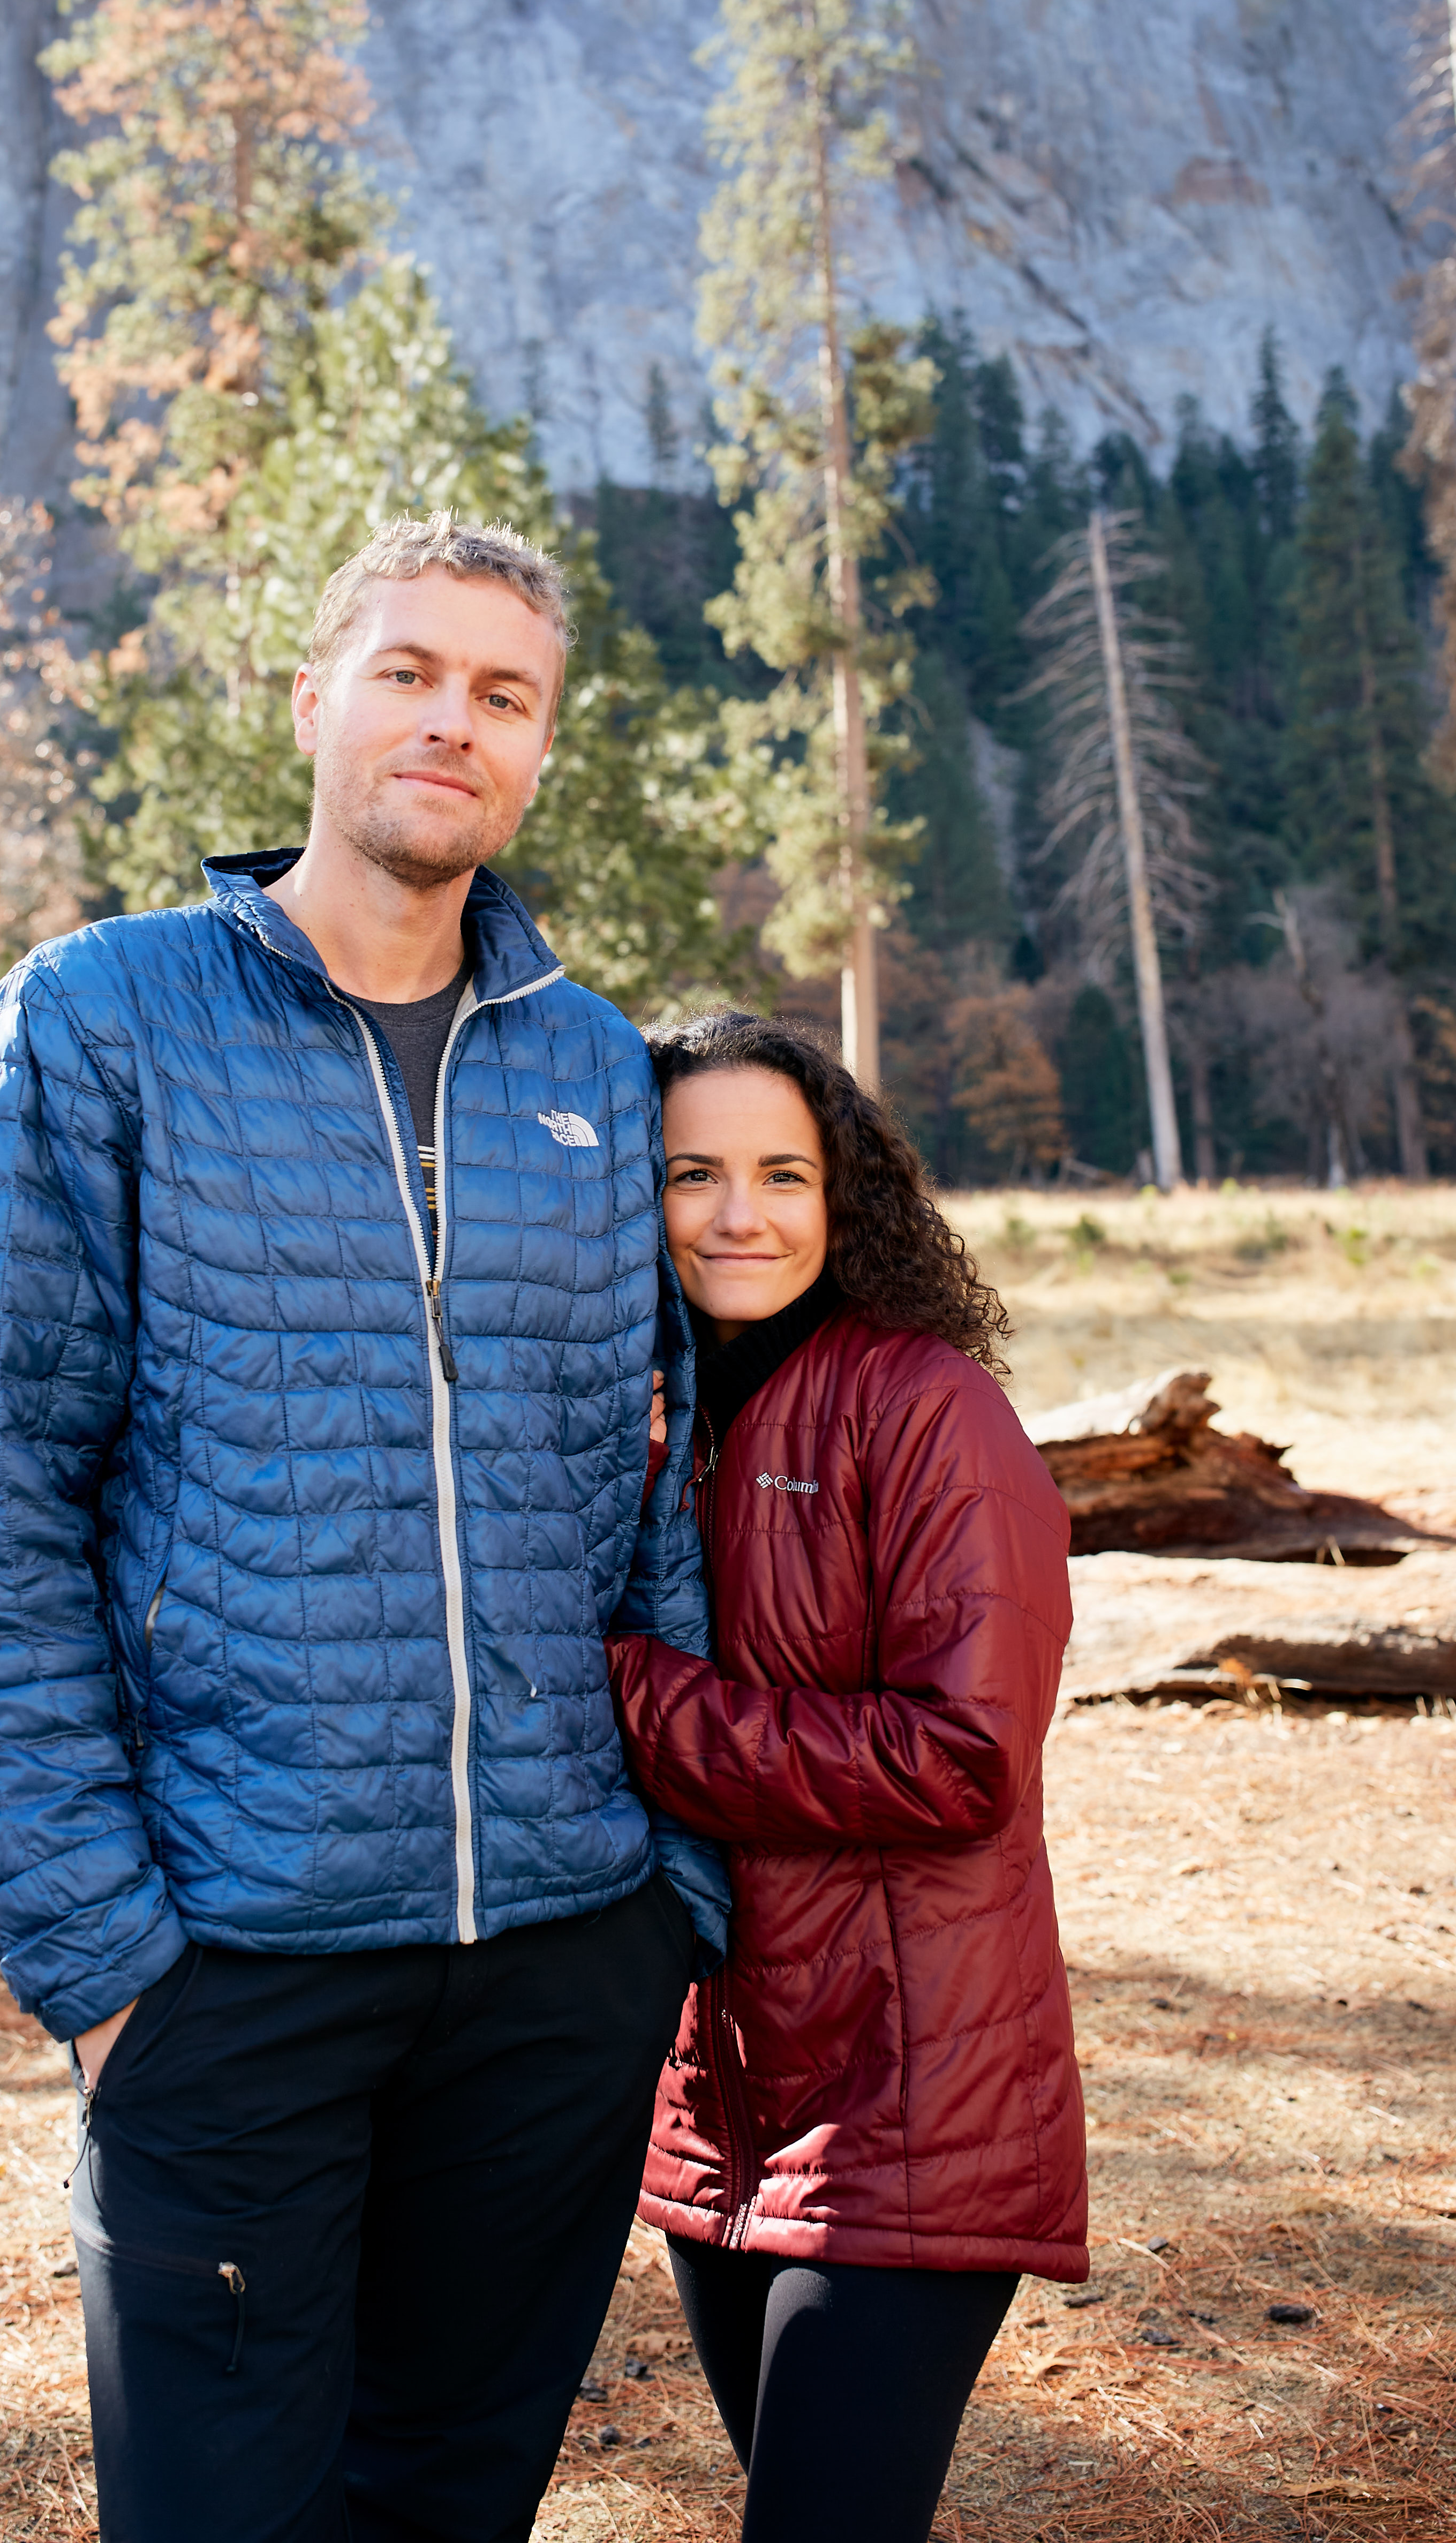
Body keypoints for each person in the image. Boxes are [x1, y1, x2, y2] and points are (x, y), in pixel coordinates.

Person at [0, 512, 724, 2543]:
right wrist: (106, 1962)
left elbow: (664, 1503)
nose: (455, 723)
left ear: (541, 751)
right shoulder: (102, 1021)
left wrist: (668, 1908)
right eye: (413, 675)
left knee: (452, 2504)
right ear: (314, 704)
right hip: (231, 1959)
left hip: (554, 1969)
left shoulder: (599, 1070)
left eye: (502, 695)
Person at [607, 1012, 1087, 2543]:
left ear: (847, 1196)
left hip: (914, 2096)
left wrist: (630, 1698)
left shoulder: (929, 1407)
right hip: (718, 2089)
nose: (737, 1214)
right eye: (691, 1173)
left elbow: (964, 1761)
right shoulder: (640, 1414)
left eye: (783, 1174)